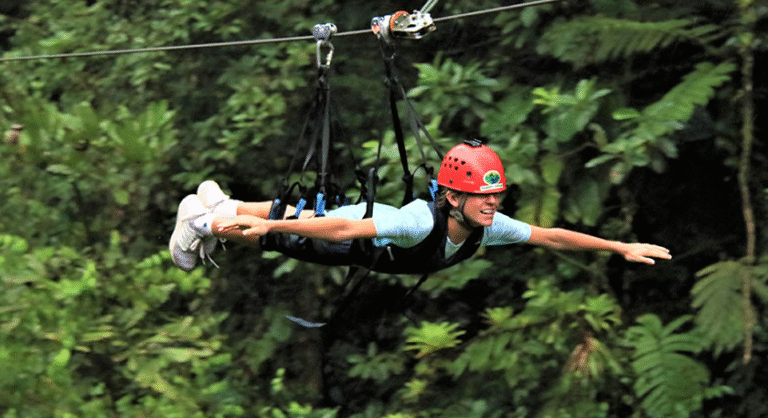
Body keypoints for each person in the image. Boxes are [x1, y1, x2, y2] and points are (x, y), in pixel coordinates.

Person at [169, 141, 671, 272]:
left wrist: (617, 245)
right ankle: (201, 220)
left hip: (358, 231)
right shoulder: (416, 221)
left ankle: (221, 201)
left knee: (296, 214)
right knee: (283, 228)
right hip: (346, 241)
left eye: (496, 194)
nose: (493, 203)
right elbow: (343, 231)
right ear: (453, 197)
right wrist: (271, 228)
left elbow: (550, 235)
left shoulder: (486, 227)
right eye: (483, 196)